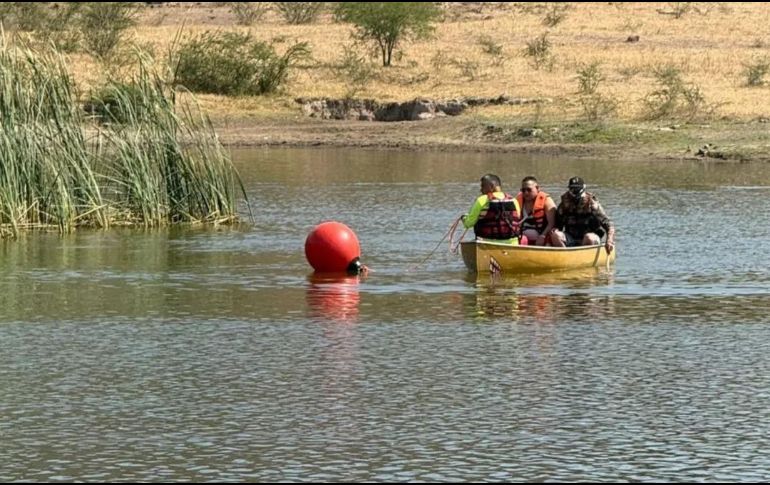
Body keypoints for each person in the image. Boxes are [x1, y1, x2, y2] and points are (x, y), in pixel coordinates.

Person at [552, 176, 615, 253]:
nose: (574, 191)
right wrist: (555, 230)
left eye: (576, 188)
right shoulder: (565, 203)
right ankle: (565, 255)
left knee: (589, 237)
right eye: (571, 188)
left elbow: (608, 224)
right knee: (555, 235)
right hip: (571, 237)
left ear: (583, 188)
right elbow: (558, 223)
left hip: (590, 237)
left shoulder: (592, 203)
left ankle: (584, 256)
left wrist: (609, 240)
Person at [462, 174, 522, 243]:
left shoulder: (482, 200)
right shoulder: (513, 200)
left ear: (492, 186)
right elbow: (518, 220)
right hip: (512, 243)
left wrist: (463, 218)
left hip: (486, 242)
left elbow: (468, 223)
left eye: (483, 186)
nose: (481, 190)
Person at [516, 176, 557, 246]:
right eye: (523, 190)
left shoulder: (547, 201)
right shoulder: (519, 200)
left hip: (542, 235)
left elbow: (552, 223)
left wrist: (542, 236)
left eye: (529, 190)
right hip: (523, 236)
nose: (526, 193)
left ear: (537, 188)